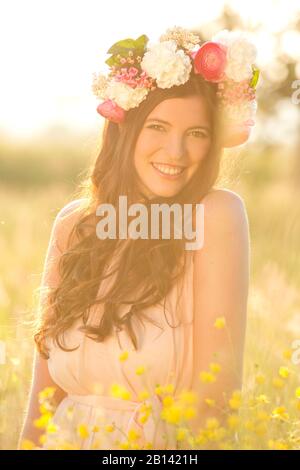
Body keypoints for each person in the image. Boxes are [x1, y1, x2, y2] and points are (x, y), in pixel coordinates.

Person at [18, 26, 257, 450]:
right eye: (158, 127)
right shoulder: (74, 224)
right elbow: (44, 395)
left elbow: (215, 400)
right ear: (125, 130)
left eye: (197, 134)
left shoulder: (215, 216)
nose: (176, 152)